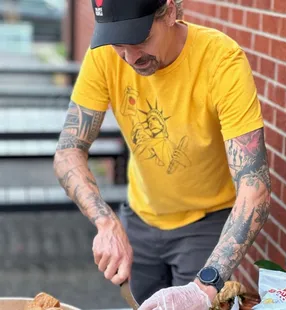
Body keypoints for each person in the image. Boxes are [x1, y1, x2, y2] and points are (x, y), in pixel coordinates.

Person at [53, 0, 271, 308]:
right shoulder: (102, 54)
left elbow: (255, 185)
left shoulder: (221, 60)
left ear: (169, 12)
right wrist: (105, 222)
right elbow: (68, 151)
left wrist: (203, 287)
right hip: (139, 216)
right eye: (118, 44)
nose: (129, 57)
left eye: (139, 40)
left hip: (204, 223)